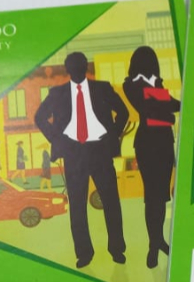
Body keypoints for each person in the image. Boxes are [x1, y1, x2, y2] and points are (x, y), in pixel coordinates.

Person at [35, 51, 128, 267]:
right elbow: (39, 117)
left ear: (86, 67)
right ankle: (84, 253)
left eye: (80, 66)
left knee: (111, 202)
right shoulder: (57, 94)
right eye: (73, 67)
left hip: (100, 150)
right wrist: (58, 139)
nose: (77, 70)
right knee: (77, 206)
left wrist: (112, 135)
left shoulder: (102, 88)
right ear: (68, 70)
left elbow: (123, 112)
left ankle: (117, 249)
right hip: (73, 153)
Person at [123, 45, 180, 268]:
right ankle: (153, 246)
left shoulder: (157, 83)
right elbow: (150, 108)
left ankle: (159, 240)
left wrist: (164, 108)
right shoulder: (130, 84)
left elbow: (169, 105)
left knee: (162, 196)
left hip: (165, 143)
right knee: (152, 196)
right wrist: (168, 113)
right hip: (147, 146)